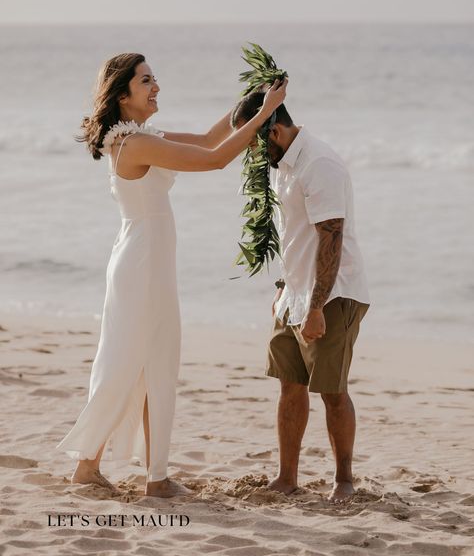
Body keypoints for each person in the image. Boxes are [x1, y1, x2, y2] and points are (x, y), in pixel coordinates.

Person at [55, 53, 287, 498]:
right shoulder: (132, 144)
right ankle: (124, 473)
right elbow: (216, 159)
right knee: (135, 362)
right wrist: (262, 115)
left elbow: (206, 138)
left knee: (150, 363)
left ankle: (133, 473)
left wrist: (249, 100)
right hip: (142, 265)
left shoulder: (139, 135)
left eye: (154, 78)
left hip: (148, 261)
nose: (155, 86)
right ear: (123, 95)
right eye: (146, 81)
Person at [231, 91, 370, 504]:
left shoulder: (319, 164)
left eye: (252, 142)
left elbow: (332, 236)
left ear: (274, 130)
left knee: (331, 390)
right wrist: (284, 288)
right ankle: (287, 477)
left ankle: (344, 480)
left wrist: (314, 308)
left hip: (333, 296)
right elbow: (296, 235)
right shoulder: (282, 164)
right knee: (289, 386)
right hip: (294, 294)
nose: (250, 153)